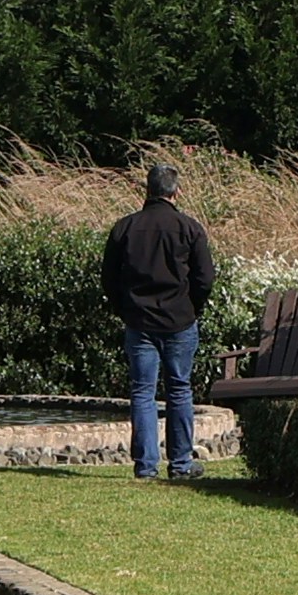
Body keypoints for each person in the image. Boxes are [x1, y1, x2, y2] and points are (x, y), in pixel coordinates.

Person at [100, 158, 220, 482]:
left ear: (147, 189)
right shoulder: (190, 228)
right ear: (176, 192)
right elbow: (205, 277)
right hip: (180, 319)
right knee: (179, 389)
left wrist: (125, 308)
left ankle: (145, 466)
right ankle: (181, 463)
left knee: (143, 392)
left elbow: (109, 278)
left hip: (140, 320)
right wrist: (192, 306)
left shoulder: (125, 227)